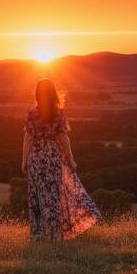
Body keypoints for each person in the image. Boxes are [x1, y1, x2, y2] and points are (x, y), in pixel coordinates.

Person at [22, 79, 100, 240]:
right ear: (53, 94)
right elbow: (64, 139)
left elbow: (28, 139)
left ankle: (38, 235)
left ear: (37, 94)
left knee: (38, 197)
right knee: (54, 197)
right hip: (53, 159)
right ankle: (55, 234)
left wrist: (24, 161)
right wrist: (71, 160)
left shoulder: (32, 113)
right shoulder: (59, 113)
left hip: (36, 159)